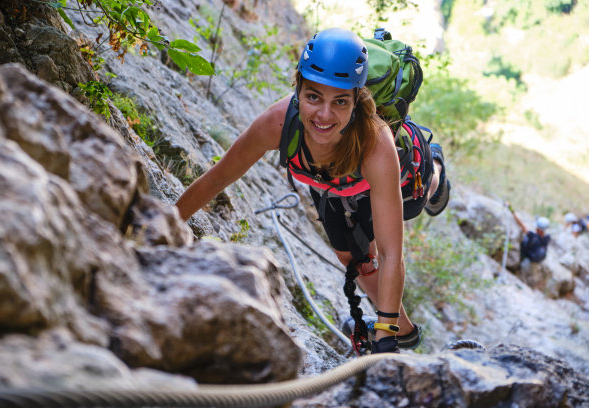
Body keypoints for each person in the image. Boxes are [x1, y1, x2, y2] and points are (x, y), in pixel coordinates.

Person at [175, 28, 450, 354]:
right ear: (298, 89)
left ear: (357, 100)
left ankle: (436, 170)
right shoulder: (278, 123)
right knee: (353, 259)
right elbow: (215, 180)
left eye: (340, 101)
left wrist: (384, 336)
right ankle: (405, 331)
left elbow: (392, 253)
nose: (323, 115)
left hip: (400, 177)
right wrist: (162, 223)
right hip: (333, 184)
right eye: (313, 97)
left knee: (422, 188)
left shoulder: (377, 143)